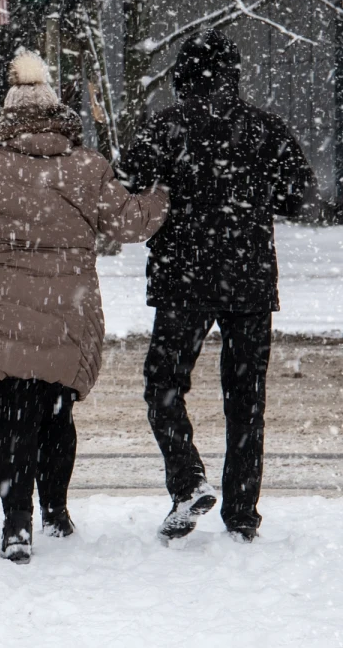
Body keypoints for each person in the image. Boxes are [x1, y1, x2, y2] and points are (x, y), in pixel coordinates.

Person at [0, 51, 169, 564]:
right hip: (69, 308)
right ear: (57, 114)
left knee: (10, 418)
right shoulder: (86, 167)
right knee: (57, 415)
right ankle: (56, 510)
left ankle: (17, 522)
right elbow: (128, 224)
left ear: (6, 114)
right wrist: (162, 193)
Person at [118, 30, 315, 545]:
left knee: (163, 382)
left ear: (183, 76)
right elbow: (297, 197)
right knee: (246, 397)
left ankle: (187, 479)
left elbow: (126, 180)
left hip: (183, 277)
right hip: (248, 277)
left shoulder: (166, 128)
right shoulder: (264, 129)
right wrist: (250, 195)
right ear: (233, 73)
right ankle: (242, 514)